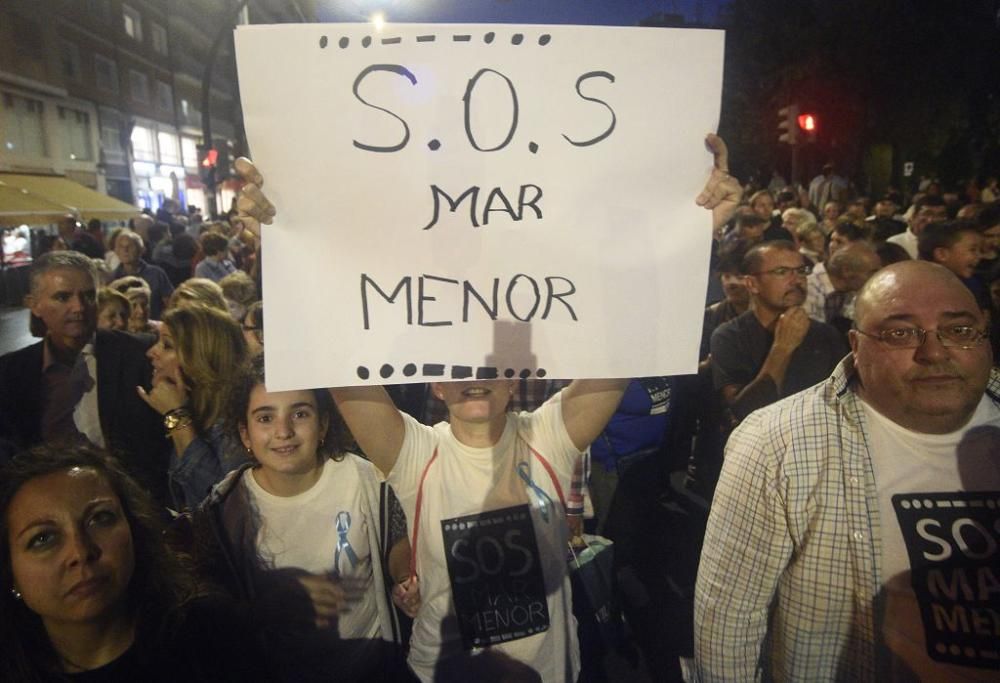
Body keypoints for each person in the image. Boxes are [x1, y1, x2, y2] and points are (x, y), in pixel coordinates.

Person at [232, 133, 742, 682]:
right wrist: (279, 236)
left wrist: (695, 233)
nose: (472, 375)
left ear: (514, 376)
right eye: (454, 364)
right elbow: (331, 357)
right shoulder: (414, 453)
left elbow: (629, 340)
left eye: (485, 360)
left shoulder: (550, 433)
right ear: (436, 388)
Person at [695, 260, 1000, 681]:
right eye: (900, 333)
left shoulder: (820, 336)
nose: (935, 351)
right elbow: (730, 616)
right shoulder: (777, 441)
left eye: (960, 330)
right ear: (856, 345)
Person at [183, 355, 413, 682]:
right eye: (265, 418)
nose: (284, 431)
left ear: (323, 425)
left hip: (372, 671)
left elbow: (396, 544)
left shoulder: (365, 480)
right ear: (245, 435)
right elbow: (210, 601)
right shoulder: (225, 508)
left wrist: (406, 575)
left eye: (300, 413)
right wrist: (259, 612)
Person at [0, 443, 265, 681]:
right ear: (10, 570)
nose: (80, 552)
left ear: (134, 527)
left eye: (100, 519)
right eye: (43, 538)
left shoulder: (214, 637)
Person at [0, 252, 167, 502]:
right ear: (34, 305)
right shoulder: (11, 373)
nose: (79, 307)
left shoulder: (139, 354)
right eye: (62, 297)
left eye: (89, 296)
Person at [710, 240, 848, 424]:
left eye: (801, 271)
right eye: (782, 272)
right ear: (752, 284)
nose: (797, 280)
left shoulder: (826, 335)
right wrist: (782, 349)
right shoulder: (729, 336)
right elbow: (744, 412)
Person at [138, 304, 249, 510]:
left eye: (167, 345)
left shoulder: (236, 421)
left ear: (201, 357)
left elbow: (221, 505)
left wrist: (176, 417)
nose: (151, 352)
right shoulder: (198, 410)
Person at [111, 230, 174, 320]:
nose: (125, 250)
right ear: (116, 251)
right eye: (121, 247)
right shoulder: (112, 278)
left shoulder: (156, 274)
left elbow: (170, 304)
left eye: (130, 246)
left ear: (141, 250)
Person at [887, 195, 949, 259]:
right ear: (914, 216)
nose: (932, 220)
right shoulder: (896, 243)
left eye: (941, 215)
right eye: (927, 214)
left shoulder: (949, 243)